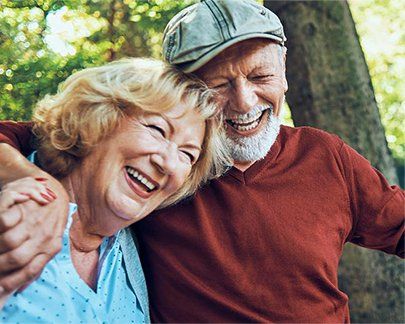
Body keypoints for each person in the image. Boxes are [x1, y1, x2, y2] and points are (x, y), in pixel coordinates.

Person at [0, 0, 404, 322]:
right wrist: (35, 180)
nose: (244, 101)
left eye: (260, 77)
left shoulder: (325, 156)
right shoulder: (145, 178)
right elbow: (54, 131)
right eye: (218, 85)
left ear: (284, 75)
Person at [0, 57, 229, 322]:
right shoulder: (13, 209)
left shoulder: (134, 251)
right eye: (157, 129)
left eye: (187, 155)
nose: (168, 163)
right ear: (96, 119)